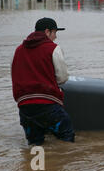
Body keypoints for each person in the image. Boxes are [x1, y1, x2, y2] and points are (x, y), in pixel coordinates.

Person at [11, 17, 75, 145]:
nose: (55, 37)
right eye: (55, 33)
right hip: (48, 106)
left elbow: (15, 74)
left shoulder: (18, 50)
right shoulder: (53, 48)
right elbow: (62, 78)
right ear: (47, 32)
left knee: (35, 145)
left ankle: (35, 164)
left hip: (25, 108)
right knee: (67, 137)